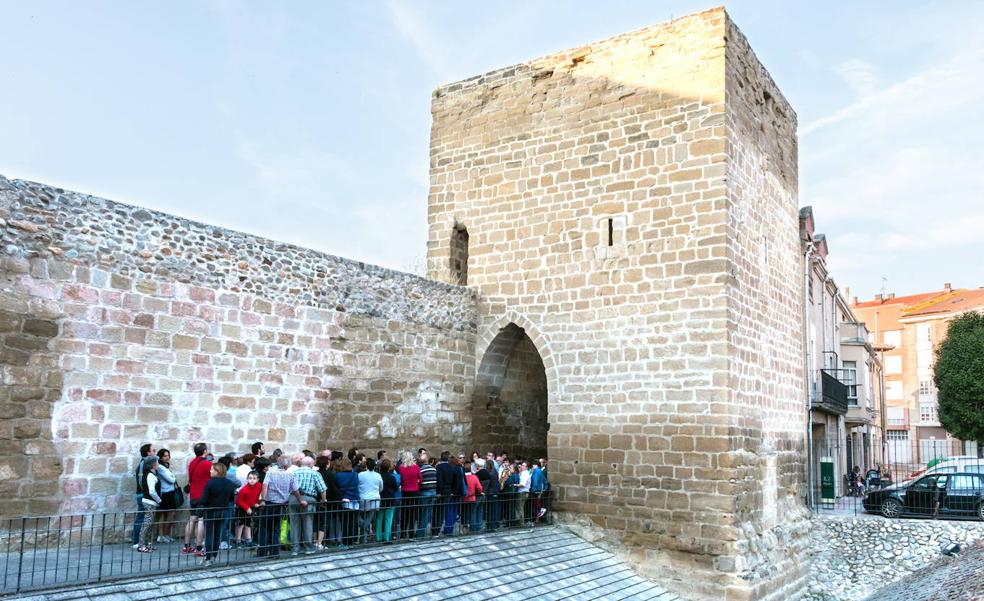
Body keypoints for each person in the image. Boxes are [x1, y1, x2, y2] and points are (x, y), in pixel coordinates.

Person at [258, 455, 305, 558]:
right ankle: (274, 553)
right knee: (276, 529)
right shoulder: (290, 474)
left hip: (269, 503)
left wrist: (263, 500)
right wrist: (300, 501)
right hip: (281, 505)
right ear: (287, 464)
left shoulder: (270, 472)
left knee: (265, 528)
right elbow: (295, 490)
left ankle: (262, 552)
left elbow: (265, 486)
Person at [200, 463, 237, 566]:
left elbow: (204, 499)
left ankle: (208, 558)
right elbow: (231, 499)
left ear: (217, 471)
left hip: (211, 511)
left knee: (209, 535)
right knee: (217, 534)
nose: (210, 471)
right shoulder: (229, 483)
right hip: (223, 511)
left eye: (212, 469)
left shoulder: (210, 483)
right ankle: (214, 556)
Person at [290, 456, 327, 555]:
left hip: (293, 499)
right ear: (310, 464)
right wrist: (323, 500)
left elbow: (290, 487)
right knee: (308, 524)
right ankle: (308, 548)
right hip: (309, 499)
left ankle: (295, 549)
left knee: (294, 524)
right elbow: (322, 489)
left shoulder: (293, 473)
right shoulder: (315, 473)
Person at [183, 442, 212, 557]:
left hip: (193, 495)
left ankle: (186, 546)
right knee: (201, 521)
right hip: (203, 495)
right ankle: (199, 548)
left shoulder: (192, 462)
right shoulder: (207, 464)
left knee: (192, 519)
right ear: (204, 451)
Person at [131, 442, 155, 548]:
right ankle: (136, 541)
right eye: (153, 450)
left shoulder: (146, 464)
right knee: (141, 518)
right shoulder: (143, 465)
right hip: (143, 495)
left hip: (144, 495)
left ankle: (143, 541)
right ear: (148, 453)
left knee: (146, 519)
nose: (155, 452)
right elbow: (141, 481)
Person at [136, 455, 162, 553]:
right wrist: (159, 500)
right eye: (157, 462)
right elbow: (151, 491)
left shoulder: (151, 474)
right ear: (153, 464)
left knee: (149, 524)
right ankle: (141, 545)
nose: (158, 464)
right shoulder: (150, 475)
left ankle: (147, 544)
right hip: (150, 502)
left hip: (151, 502)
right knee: (147, 524)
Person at [315, 455, 341, 549]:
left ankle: (315, 541)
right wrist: (340, 498)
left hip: (316, 500)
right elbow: (334, 489)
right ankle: (319, 542)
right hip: (325, 501)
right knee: (324, 522)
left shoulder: (316, 473)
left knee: (316, 521)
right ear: (327, 464)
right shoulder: (330, 474)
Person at [334, 458, 360, 547]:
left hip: (344, 500)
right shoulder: (355, 475)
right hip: (355, 501)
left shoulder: (338, 476)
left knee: (344, 522)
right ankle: (352, 541)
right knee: (353, 522)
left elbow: (336, 488)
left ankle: (345, 542)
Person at [436, 451, 463, 536]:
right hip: (456, 492)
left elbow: (456, 482)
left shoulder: (454, 468)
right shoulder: (459, 468)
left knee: (450, 511)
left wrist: (453, 492)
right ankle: (449, 528)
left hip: (453, 493)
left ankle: (448, 529)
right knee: (453, 511)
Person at [357, 459, 383, 543]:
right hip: (374, 499)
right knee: (369, 518)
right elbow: (381, 488)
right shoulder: (378, 475)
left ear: (366, 466)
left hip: (363, 498)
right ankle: (364, 535)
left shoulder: (361, 474)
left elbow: (357, 485)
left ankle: (363, 537)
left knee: (361, 517)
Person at [155, 449, 178, 543]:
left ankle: (166, 534)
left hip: (169, 492)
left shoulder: (165, 467)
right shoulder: (160, 467)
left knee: (169, 514)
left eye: (168, 455)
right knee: (165, 514)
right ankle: (161, 535)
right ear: (160, 457)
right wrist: (173, 477)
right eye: (165, 456)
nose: (167, 457)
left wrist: (172, 477)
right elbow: (171, 480)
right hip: (165, 493)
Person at [234, 470, 261, 547]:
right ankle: (238, 540)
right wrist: (246, 508)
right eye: (250, 478)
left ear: (258, 479)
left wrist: (255, 503)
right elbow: (238, 501)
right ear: (247, 479)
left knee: (248, 524)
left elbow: (256, 495)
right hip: (242, 508)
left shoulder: (259, 486)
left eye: (254, 478)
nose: (252, 480)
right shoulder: (244, 490)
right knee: (240, 524)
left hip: (250, 507)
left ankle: (248, 540)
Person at [397, 450, 421, 538]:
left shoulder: (401, 468)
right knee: (413, 513)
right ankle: (411, 534)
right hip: (414, 491)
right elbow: (420, 479)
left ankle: (403, 533)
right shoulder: (416, 467)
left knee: (404, 512)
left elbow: (400, 480)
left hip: (405, 491)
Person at [377, 459, 399, 542]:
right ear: (389, 467)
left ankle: (378, 537)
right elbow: (396, 488)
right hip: (390, 499)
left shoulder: (379, 476)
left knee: (379, 519)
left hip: (380, 499)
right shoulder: (391, 477)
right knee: (388, 519)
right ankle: (386, 537)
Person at [417, 450, 437, 538]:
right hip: (433, 492)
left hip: (424, 493)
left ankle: (420, 533)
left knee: (422, 513)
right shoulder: (433, 469)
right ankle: (423, 531)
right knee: (428, 513)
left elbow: (419, 482)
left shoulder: (420, 470)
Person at [478, 459, 500, 530]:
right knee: (494, 509)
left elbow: (488, 483)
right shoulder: (495, 471)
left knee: (490, 510)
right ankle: (495, 524)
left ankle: (491, 525)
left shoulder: (490, 473)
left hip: (491, 493)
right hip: (495, 492)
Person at [462, 461, 484, 531]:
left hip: (463, 498)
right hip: (472, 498)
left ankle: (464, 525)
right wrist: (480, 492)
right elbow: (479, 487)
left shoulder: (462, 477)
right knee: (473, 512)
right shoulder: (474, 477)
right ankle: (473, 527)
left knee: (464, 512)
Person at [515, 461, 532, 525]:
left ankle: (521, 522)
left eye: (523, 465)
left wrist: (515, 485)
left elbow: (522, 484)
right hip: (523, 492)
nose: (522, 466)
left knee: (520, 507)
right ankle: (520, 521)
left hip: (523, 492)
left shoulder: (525, 474)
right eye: (522, 465)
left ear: (527, 467)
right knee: (520, 507)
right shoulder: (523, 473)